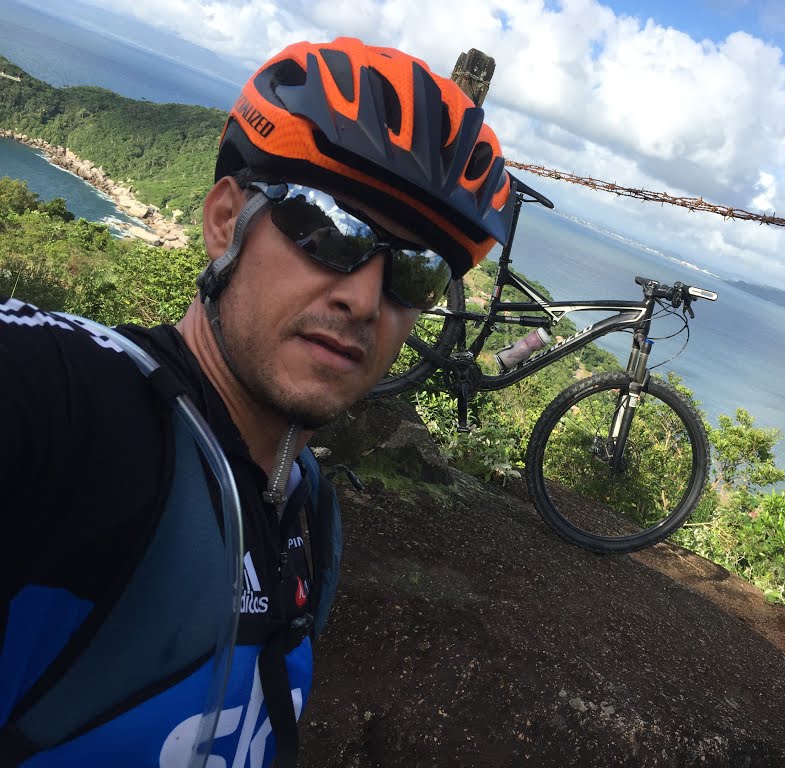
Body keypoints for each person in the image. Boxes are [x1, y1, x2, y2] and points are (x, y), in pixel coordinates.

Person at [0, 36, 514, 767]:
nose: (365, 298)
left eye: (415, 273)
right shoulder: (82, 405)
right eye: (328, 231)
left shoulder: (309, 516)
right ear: (222, 223)